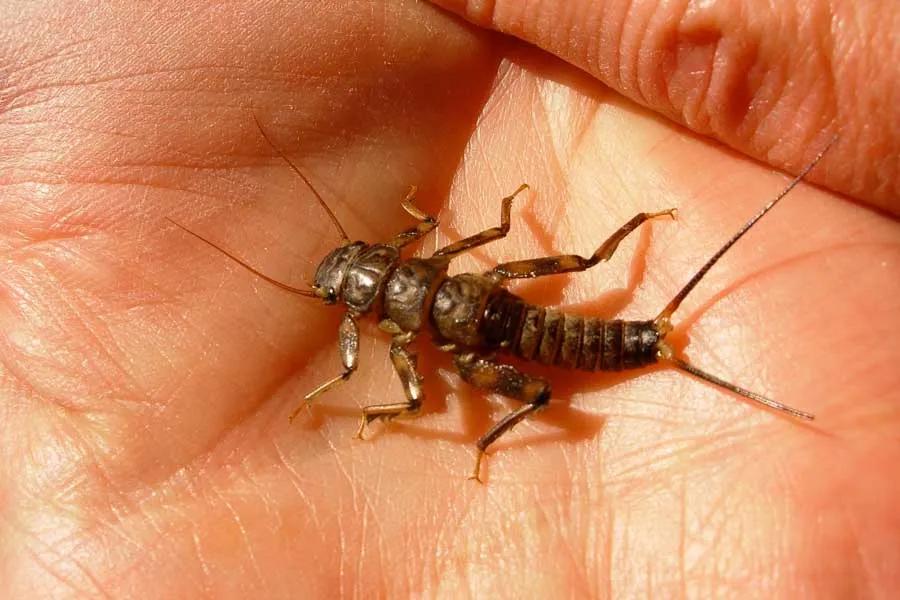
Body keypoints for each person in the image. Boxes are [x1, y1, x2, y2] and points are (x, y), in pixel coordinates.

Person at [1, 1, 896, 596]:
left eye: (355, 267)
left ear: (372, 279)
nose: (353, 274)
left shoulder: (395, 326)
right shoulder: (425, 265)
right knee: (556, 317)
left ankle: (649, 325)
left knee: (526, 373)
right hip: (493, 311)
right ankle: (651, 328)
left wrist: (377, 410)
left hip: (496, 324)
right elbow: (488, 242)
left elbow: (421, 380)